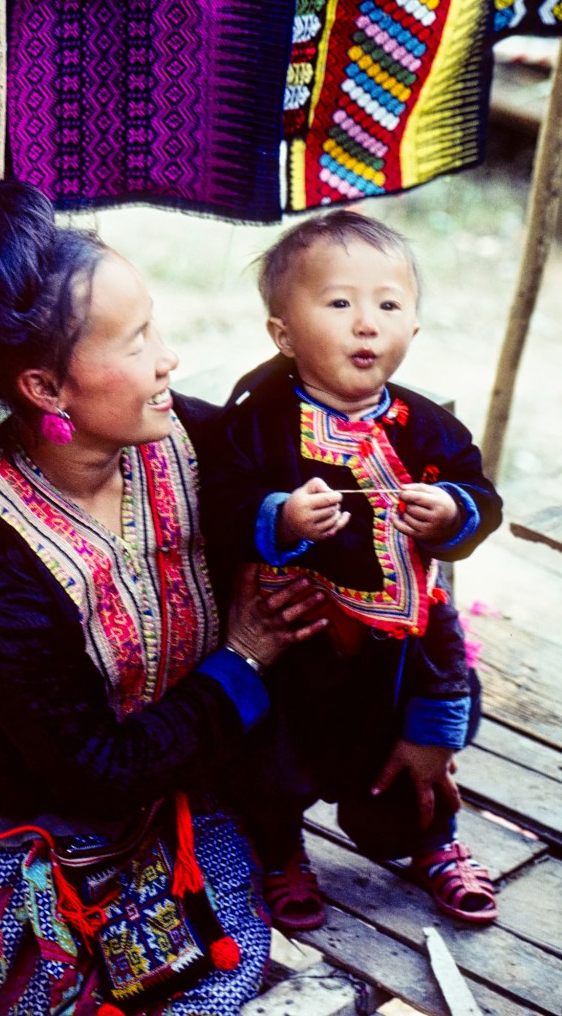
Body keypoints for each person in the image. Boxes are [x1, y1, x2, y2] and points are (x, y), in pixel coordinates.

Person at [0, 180, 330, 1016]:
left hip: (172, 786)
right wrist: (242, 659)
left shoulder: (189, 440)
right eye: (134, 341)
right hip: (30, 821)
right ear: (48, 390)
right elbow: (93, 771)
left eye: (155, 323)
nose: (168, 355)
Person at [201, 210, 502, 933]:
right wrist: (280, 517)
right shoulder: (259, 420)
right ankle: (280, 853)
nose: (368, 324)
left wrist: (454, 512)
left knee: (407, 768)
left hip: (402, 640)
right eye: (340, 303)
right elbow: (222, 503)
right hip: (295, 643)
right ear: (283, 333)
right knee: (273, 764)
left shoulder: (428, 428)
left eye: (389, 305)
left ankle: (435, 842)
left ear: (414, 330)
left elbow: (484, 500)